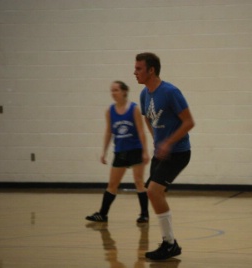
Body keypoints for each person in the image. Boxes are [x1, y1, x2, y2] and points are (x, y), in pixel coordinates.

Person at [134, 52, 195, 260]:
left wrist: (168, 143)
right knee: (153, 193)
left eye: (139, 68)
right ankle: (168, 243)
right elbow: (148, 119)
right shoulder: (144, 95)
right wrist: (156, 140)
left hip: (178, 153)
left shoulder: (170, 92)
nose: (135, 72)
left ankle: (170, 243)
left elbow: (189, 122)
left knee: (153, 191)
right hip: (161, 153)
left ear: (151, 70)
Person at [86, 81, 150, 223]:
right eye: (112, 90)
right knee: (112, 184)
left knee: (139, 182)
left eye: (116, 90)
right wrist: (104, 152)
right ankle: (102, 214)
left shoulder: (134, 109)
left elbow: (141, 131)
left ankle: (144, 214)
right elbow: (109, 132)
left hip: (135, 150)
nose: (113, 93)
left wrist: (145, 152)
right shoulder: (110, 111)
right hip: (120, 151)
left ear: (124, 92)